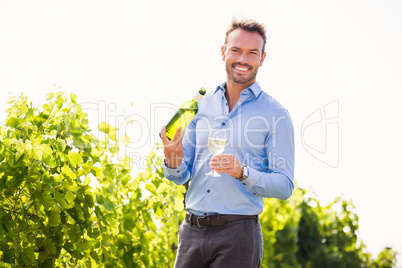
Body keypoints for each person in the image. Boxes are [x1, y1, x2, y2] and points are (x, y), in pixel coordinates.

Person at [160, 18, 295, 268]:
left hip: (238, 234)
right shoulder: (200, 105)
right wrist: (172, 158)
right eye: (236, 50)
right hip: (190, 232)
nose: (243, 59)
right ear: (224, 52)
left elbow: (285, 185)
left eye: (252, 53)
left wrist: (242, 172)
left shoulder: (276, 115)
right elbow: (180, 175)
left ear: (262, 58)